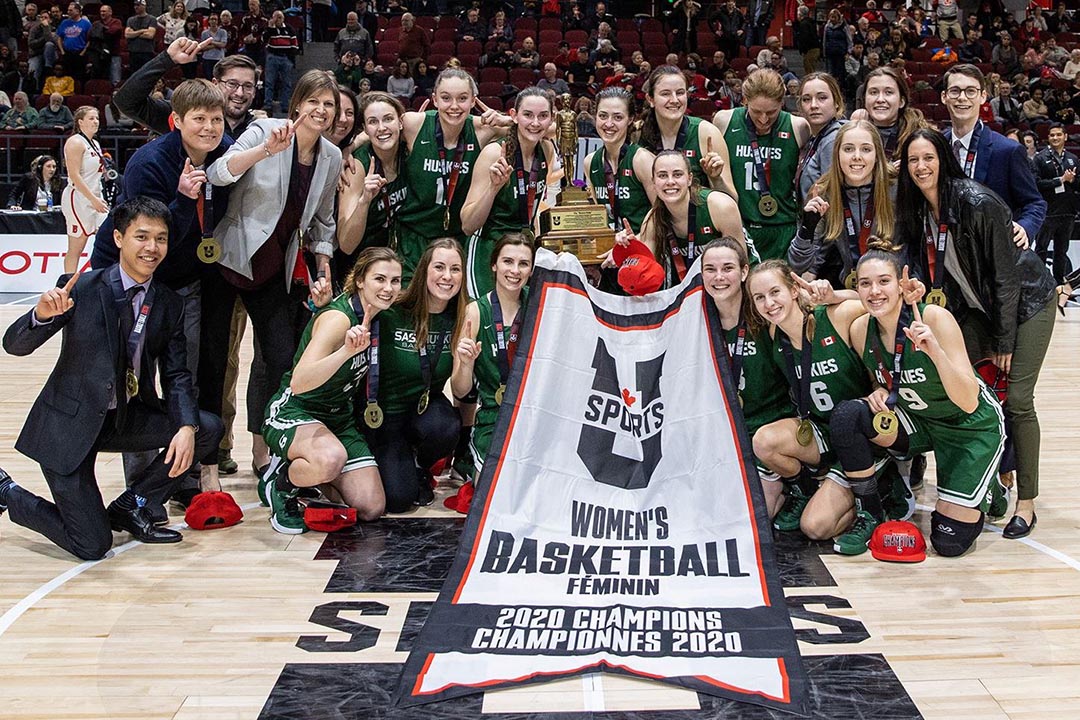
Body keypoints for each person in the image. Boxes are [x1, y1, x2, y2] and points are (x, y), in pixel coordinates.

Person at [0, 196, 224, 560]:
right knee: (92, 545)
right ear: (119, 238)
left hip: (119, 419)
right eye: (142, 236)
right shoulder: (82, 288)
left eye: (161, 238)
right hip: (67, 430)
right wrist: (39, 317)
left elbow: (178, 373)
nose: (152, 248)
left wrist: (185, 426)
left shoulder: (168, 303)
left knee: (205, 427)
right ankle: (7, 491)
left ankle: (130, 505)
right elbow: (15, 346)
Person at [895, 128, 1057, 540]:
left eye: (928, 157)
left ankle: (1027, 502)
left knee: (1018, 400)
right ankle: (988, 480)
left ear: (943, 160)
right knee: (951, 378)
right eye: (913, 160)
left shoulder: (977, 202)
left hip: (1027, 303)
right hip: (980, 308)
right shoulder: (916, 207)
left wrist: (1004, 341)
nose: (920, 167)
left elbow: (1006, 279)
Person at [200, 70, 342, 487]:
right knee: (212, 363)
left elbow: (323, 222)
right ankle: (208, 467)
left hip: (274, 268)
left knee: (279, 359)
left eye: (329, 104)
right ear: (296, 103)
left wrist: (323, 269)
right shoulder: (265, 129)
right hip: (230, 260)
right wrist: (263, 150)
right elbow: (219, 172)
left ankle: (264, 448)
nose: (320, 110)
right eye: (313, 101)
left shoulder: (331, 156)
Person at [834, 248, 1006, 556]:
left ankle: (990, 490)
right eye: (865, 283)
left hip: (969, 425)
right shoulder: (861, 330)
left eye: (884, 281)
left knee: (948, 543)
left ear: (902, 282)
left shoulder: (934, 318)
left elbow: (968, 400)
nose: (874, 291)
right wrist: (876, 388)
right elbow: (883, 377)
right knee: (850, 416)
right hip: (919, 419)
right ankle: (876, 503)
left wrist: (935, 352)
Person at [262, 247, 401, 531]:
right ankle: (282, 483)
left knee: (372, 507)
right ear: (360, 280)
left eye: (395, 281)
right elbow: (299, 382)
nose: (388, 288)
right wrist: (345, 354)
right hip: (295, 411)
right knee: (330, 459)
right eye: (380, 279)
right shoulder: (339, 319)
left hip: (337, 419)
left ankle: (313, 470)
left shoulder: (377, 315)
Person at [747, 260, 882, 540]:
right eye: (759, 297)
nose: (769, 303)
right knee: (764, 441)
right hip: (821, 428)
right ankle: (805, 490)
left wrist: (836, 296)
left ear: (794, 290)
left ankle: (879, 493)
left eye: (775, 292)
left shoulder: (833, 317)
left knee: (815, 527)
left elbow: (872, 303)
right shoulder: (775, 334)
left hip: (861, 437)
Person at [367, 238, 464, 510]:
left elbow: (463, 389)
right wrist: (322, 305)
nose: (447, 276)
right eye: (440, 267)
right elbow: (354, 307)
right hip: (385, 416)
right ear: (424, 270)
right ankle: (391, 459)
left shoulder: (462, 318)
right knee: (398, 500)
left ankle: (421, 465)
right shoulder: (392, 309)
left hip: (424, 412)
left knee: (446, 425)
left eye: (455, 269)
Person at [395, 67, 512, 288]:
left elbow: (540, 129)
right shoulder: (414, 124)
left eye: (462, 98)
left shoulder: (483, 129)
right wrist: (348, 149)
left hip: (457, 238)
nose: (455, 106)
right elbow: (375, 132)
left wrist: (506, 120)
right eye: (446, 98)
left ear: (473, 102)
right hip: (414, 237)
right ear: (434, 100)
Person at [701, 237, 792, 519]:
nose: (718, 277)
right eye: (710, 269)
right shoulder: (696, 317)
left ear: (743, 272)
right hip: (727, 436)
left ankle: (797, 483)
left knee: (751, 519)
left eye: (727, 268)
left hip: (769, 431)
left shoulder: (767, 314)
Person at [449, 233, 532, 512]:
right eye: (508, 261)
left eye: (524, 263)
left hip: (532, 417)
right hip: (492, 418)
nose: (515, 271)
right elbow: (460, 390)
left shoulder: (540, 305)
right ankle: (470, 462)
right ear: (494, 265)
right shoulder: (475, 311)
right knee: (499, 494)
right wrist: (466, 362)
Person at [461, 87, 557, 298]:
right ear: (514, 115)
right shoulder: (495, 154)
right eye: (527, 115)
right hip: (488, 248)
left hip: (522, 249)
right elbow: (467, 225)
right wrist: (493, 188)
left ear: (551, 119)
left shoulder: (547, 150)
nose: (535, 123)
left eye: (543, 116)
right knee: (486, 319)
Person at [940, 64, 1046, 250]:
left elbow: (1035, 203)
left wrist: (1025, 227)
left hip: (991, 254)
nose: (962, 97)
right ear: (944, 97)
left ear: (983, 97)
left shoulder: (1008, 150)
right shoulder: (936, 147)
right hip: (947, 251)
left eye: (970, 91)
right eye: (955, 91)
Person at [714, 69, 811, 261]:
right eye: (756, 111)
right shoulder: (724, 121)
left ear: (782, 103)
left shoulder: (799, 127)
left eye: (772, 112)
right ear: (745, 101)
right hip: (740, 227)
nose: (763, 119)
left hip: (783, 229)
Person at [789, 120, 896, 287]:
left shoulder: (894, 188)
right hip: (848, 287)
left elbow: (907, 252)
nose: (857, 156)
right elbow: (798, 265)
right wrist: (807, 230)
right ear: (837, 154)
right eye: (848, 149)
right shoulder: (824, 192)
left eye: (866, 149)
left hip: (890, 287)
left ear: (877, 155)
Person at [628, 150, 744, 288]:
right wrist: (629, 250)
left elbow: (739, 266)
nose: (670, 182)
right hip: (690, 293)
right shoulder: (653, 219)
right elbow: (643, 277)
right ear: (653, 182)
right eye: (662, 176)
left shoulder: (720, 206)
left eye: (677, 174)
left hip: (731, 285)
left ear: (689, 179)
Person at [114, 37, 261, 141]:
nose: (239, 93)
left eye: (248, 86)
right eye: (232, 84)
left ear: (254, 91)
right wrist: (167, 59)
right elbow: (126, 102)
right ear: (215, 83)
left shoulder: (260, 129)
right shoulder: (186, 117)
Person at [585, 85, 657, 286]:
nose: (609, 124)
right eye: (603, 116)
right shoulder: (591, 162)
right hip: (608, 258)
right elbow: (599, 214)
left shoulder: (641, 159)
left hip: (642, 257)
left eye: (617, 117)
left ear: (631, 119)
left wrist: (637, 241)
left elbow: (663, 214)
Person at [638, 65, 737, 198]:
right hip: (659, 217)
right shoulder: (639, 134)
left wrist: (716, 179)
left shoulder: (706, 133)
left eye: (680, 93)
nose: (674, 100)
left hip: (701, 217)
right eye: (665, 94)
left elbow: (732, 200)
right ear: (650, 99)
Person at [338, 92, 409, 277]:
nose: (382, 128)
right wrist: (364, 201)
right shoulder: (357, 167)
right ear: (365, 129)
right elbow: (346, 245)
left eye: (388, 119)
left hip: (402, 258)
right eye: (373, 122)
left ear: (400, 122)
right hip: (362, 265)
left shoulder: (410, 149)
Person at [61, 106, 108, 274]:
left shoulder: (94, 143)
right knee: (76, 247)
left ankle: (103, 280)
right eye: (91, 118)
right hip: (79, 199)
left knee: (107, 238)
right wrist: (93, 200)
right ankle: (67, 288)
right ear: (80, 122)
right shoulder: (74, 142)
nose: (96, 121)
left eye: (97, 118)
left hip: (96, 197)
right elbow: (74, 175)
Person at [1033, 123, 1080, 291]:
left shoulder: (1073, 159)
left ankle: (1059, 285)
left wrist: (1072, 180)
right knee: (1041, 249)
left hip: (1067, 211)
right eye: (1052, 135)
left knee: (1062, 251)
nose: (1055, 138)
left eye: (1058, 135)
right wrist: (1060, 180)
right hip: (1048, 211)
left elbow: (1078, 184)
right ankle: (1039, 285)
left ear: (1065, 137)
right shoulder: (1040, 158)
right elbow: (1036, 183)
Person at [796, 72, 847, 205]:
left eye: (822, 98)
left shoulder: (833, 139)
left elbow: (833, 198)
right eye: (806, 99)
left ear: (836, 102)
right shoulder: (815, 137)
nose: (813, 105)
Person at [263, 10, 299, 116]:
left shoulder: (289, 29)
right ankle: (268, 105)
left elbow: (295, 45)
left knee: (286, 83)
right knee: (269, 82)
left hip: (285, 58)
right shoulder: (269, 29)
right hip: (272, 57)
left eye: (280, 17)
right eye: (276, 17)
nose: (278, 19)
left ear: (283, 19)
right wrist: (271, 27)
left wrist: (290, 59)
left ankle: (285, 106)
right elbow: (264, 40)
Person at [55, 1, 90, 81]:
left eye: (71, 10)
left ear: (77, 11)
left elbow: (89, 40)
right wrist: (62, 51)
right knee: (66, 77)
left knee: (79, 77)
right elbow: (60, 38)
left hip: (79, 53)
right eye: (68, 10)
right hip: (67, 53)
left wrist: (82, 53)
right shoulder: (64, 23)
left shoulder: (86, 24)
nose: (68, 12)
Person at [124, 0, 159, 74]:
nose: (136, 7)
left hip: (147, 52)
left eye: (138, 5)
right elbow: (127, 35)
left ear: (144, 6)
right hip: (133, 52)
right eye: (135, 5)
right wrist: (142, 31)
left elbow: (150, 35)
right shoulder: (130, 20)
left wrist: (133, 33)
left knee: (146, 74)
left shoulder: (151, 19)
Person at [199, 14, 228, 82]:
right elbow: (203, 47)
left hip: (219, 58)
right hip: (207, 58)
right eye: (212, 19)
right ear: (209, 21)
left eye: (215, 19)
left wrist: (210, 42)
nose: (213, 21)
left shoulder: (223, 32)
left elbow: (223, 45)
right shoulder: (204, 33)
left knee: (219, 78)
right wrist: (217, 44)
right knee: (208, 79)